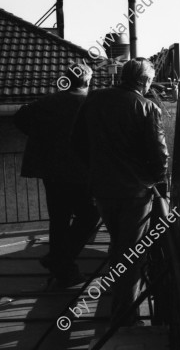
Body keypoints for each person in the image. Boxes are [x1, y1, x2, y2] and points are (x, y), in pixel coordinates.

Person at [73, 58, 169, 326]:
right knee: (132, 253)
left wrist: (95, 171)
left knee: (118, 245)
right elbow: (160, 155)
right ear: (143, 80)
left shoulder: (94, 99)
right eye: (150, 80)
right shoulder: (148, 108)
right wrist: (152, 180)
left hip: (103, 189)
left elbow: (77, 141)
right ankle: (124, 315)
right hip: (135, 193)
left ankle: (120, 303)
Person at [14, 62, 99, 288]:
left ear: (67, 78)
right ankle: (60, 261)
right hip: (80, 171)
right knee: (90, 216)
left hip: (51, 170)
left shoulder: (48, 102)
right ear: (88, 81)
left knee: (59, 219)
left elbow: (19, 118)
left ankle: (64, 269)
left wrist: (40, 137)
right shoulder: (90, 104)